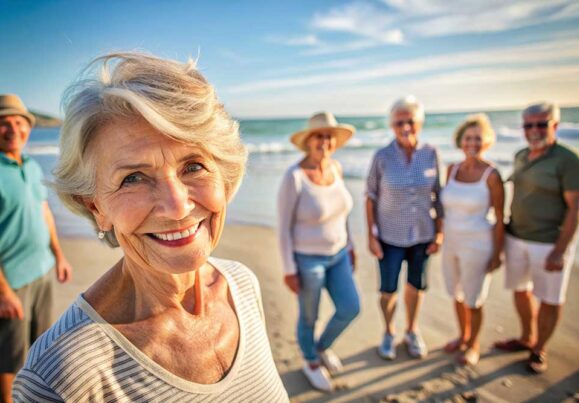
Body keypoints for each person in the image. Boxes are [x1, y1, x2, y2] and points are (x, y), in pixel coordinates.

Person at [12, 53, 288, 402]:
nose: (176, 207)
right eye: (134, 178)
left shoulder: (242, 286)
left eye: (193, 166)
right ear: (96, 206)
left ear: (224, 175)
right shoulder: (59, 379)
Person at [494, 102, 579, 374]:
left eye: (541, 124)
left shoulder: (570, 160)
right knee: (521, 289)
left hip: (550, 243)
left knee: (550, 297)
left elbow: (578, 207)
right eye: (529, 125)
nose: (534, 130)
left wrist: (560, 250)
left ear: (555, 126)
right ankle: (527, 336)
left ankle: (540, 348)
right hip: (516, 237)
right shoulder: (521, 155)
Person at [277, 112, 360, 392]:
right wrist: (289, 269)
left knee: (350, 308)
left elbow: (343, 213)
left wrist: (351, 245)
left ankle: (322, 346)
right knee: (309, 316)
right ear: (308, 142)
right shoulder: (295, 177)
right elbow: (283, 227)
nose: (324, 141)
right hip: (307, 260)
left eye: (328, 137)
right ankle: (310, 360)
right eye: (318, 136)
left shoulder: (336, 168)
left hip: (339, 256)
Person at [0, 94, 72, 402]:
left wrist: (58, 255)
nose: (13, 129)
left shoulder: (30, 166)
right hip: (12, 280)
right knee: (9, 357)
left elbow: (44, 213)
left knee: (40, 344)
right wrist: (3, 291)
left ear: (28, 128)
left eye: (19, 122)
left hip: (42, 269)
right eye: (4, 123)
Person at [366, 96, 443, 360]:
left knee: (416, 286)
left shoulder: (431, 153)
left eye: (410, 121)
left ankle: (411, 330)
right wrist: (371, 236)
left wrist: (440, 231)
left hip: (423, 234)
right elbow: (371, 196)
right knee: (388, 290)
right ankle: (389, 331)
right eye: (400, 122)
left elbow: (438, 194)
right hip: (389, 236)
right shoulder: (382, 156)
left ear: (419, 123)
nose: (405, 126)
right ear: (392, 125)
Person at [440, 113, 504, 366]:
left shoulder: (492, 175)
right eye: (468, 138)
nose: (472, 143)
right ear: (460, 140)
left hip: (478, 244)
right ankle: (463, 336)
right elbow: (446, 209)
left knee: (473, 298)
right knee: (455, 294)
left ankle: (473, 345)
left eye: (478, 138)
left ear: (486, 141)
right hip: (451, 243)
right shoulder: (452, 170)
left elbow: (500, 217)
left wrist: (497, 253)